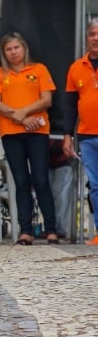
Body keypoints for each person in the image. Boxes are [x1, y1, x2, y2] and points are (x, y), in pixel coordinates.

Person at [0, 32, 59, 246]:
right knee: (20, 182)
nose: (13, 52)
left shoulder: (39, 69)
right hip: (11, 133)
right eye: (8, 49)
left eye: (16, 47)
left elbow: (46, 100)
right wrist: (18, 117)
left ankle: (51, 229)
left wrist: (24, 113)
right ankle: (25, 231)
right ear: (4, 53)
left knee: (41, 180)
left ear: (24, 48)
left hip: (37, 132)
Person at [63, 18, 98, 245]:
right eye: (92, 34)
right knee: (95, 185)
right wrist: (68, 135)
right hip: (86, 136)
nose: (96, 38)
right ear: (87, 38)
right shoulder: (76, 68)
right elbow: (68, 106)